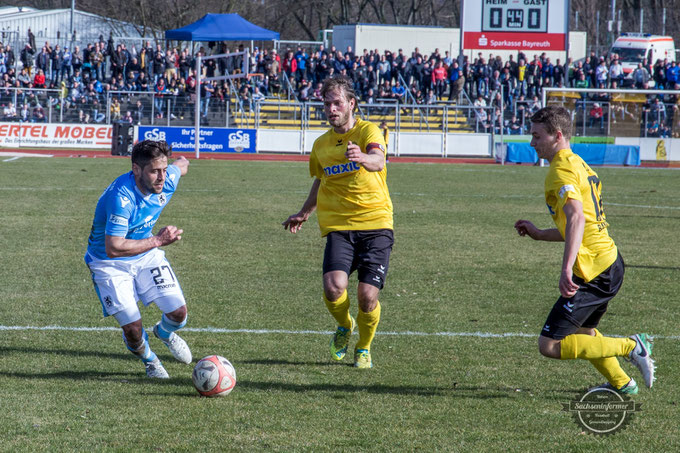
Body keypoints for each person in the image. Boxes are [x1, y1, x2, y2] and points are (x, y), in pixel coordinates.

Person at [514, 106, 655, 394]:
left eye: (536, 136)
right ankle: (623, 383)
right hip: (606, 261)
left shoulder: (561, 168)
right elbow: (580, 224)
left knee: (550, 345)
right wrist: (540, 234)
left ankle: (632, 346)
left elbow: (577, 216)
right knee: (585, 333)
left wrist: (566, 269)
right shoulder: (579, 163)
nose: (532, 143)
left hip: (595, 269)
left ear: (556, 135)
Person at [282, 75, 394, 369]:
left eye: (337, 103)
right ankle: (345, 325)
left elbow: (378, 161)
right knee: (334, 287)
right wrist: (304, 212)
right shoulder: (321, 145)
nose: (331, 109)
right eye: (326, 104)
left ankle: (364, 347)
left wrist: (362, 158)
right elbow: (321, 180)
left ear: (351, 104)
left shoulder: (368, 131)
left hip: (376, 223)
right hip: (339, 227)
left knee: (367, 296)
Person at [85, 140, 192, 379]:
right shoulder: (121, 197)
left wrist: (181, 163)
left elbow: (181, 166)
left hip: (146, 254)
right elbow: (114, 247)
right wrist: (158, 241)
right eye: (154, 171)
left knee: (179, 313)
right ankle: (150, 361)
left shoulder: (167, 178)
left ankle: (164, 333)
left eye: (164, 170)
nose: (162, 177)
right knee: (133, 330)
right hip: (108, 262)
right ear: (136, 170)